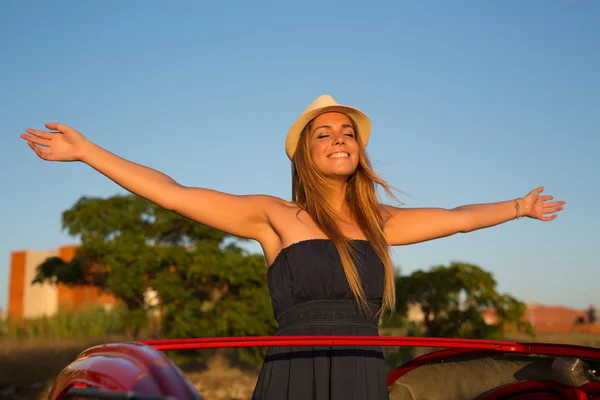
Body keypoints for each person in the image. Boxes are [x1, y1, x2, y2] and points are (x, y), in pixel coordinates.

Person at [20, 94, 565, 399]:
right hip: (294, 371)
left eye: (347, 132)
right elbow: (171, 192)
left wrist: (516, 207)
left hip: (361, 371)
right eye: (323, 133)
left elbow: (457, 218)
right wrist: (89, 151)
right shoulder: (272, 216)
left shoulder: (381, 222)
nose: (338, 139)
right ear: (305, 153)